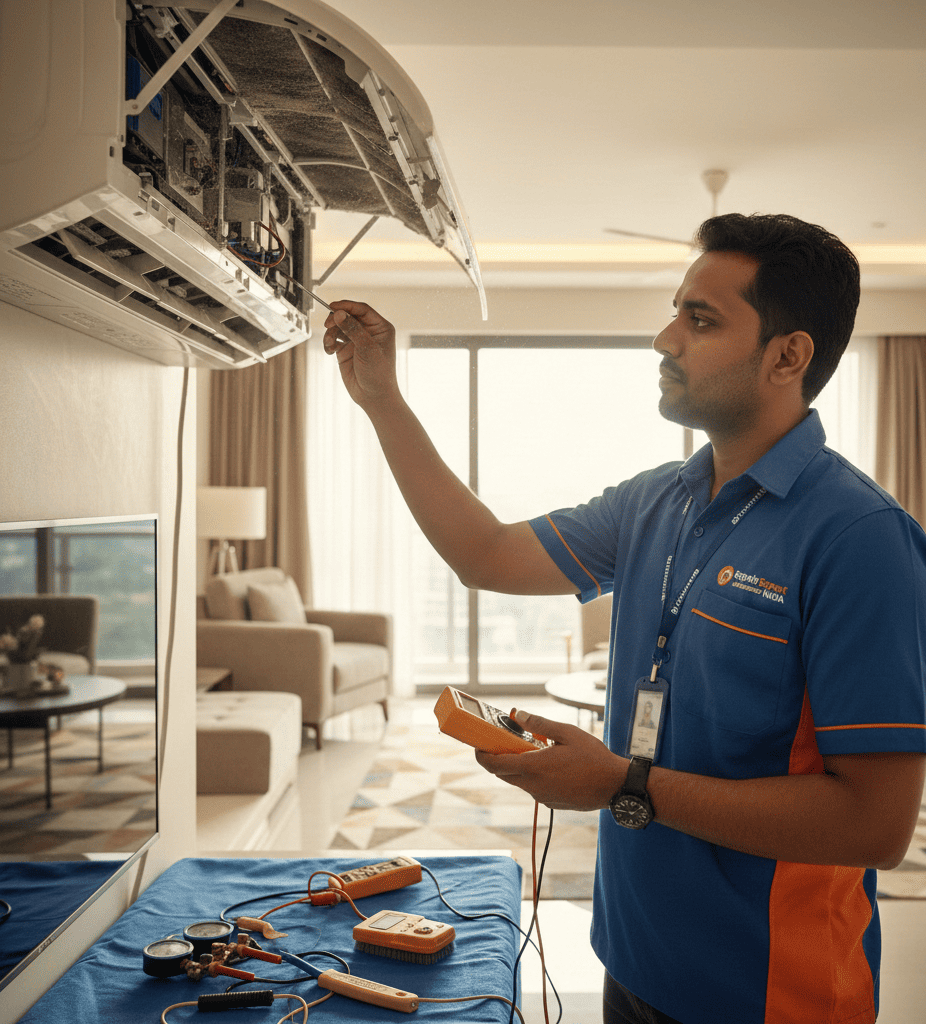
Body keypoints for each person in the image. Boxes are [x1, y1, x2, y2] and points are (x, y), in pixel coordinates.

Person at [323, 212, 926, 1024]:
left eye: (700, 319)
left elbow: (876, 824)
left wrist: (622, 783)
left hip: (772, 992)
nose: (665, 338)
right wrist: (380, 399)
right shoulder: (656, 500)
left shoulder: (861, 538)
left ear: (789, 355)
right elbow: (486, 555)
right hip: (635, 956)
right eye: (678, 310)